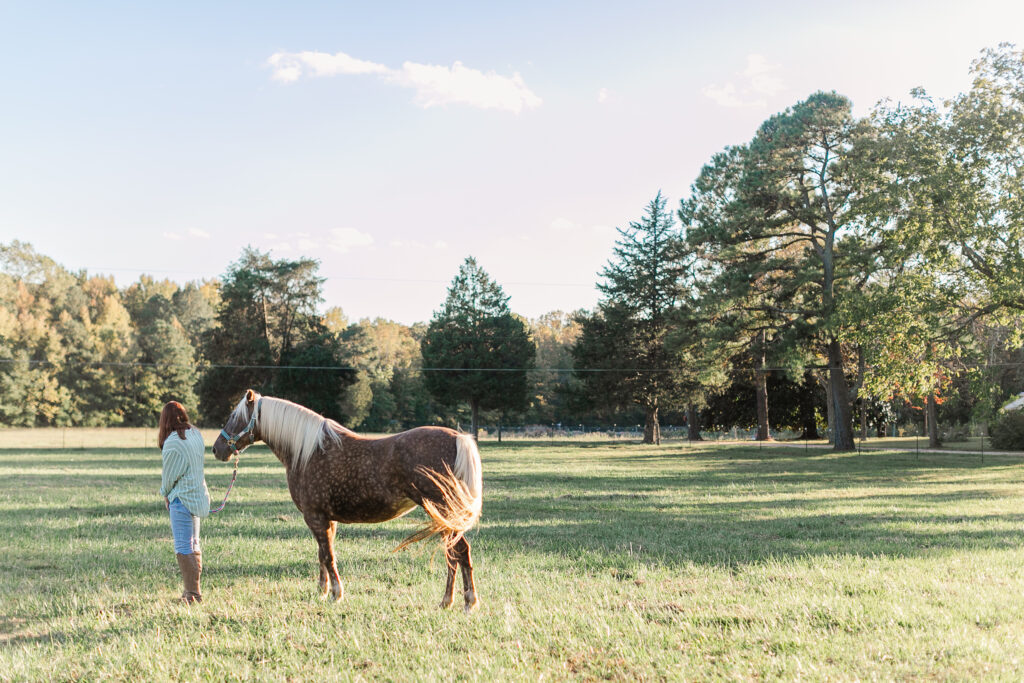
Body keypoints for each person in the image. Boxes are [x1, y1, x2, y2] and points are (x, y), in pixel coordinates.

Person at [158, 401, 210, 604]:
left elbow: (169, 477)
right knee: (194, 544)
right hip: (197, 495)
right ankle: (193, 592)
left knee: (183, 547)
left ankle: (192, 594)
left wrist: (165, 494)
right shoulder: (195, 434)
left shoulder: (173, 441)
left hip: (181, 499)